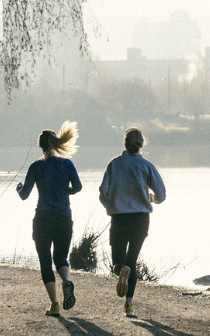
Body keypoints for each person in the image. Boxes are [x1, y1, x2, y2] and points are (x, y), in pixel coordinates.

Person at [16, 122, 84, 316]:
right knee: (61, 257)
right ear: (56, 143)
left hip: (43, 218)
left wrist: (19, 188)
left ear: (41, 146)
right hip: (64, 217)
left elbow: (24, 195)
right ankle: (66, 281)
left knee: (45, 261)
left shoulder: (36, 167)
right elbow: (78, 187)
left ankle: (55, 304)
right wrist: (65, 192)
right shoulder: (67, 164)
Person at [99, 127, 166, 319]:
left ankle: (121, 271)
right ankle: (129, 306)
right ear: (141, 144)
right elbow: (161, 194)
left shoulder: (114, 164)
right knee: (132, 261)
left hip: (119, 217)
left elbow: (103, 191)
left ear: (125, 143)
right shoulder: (146, 166)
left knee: (117, 262)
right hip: (141, 219)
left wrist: (110, 205)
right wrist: (152, 199)